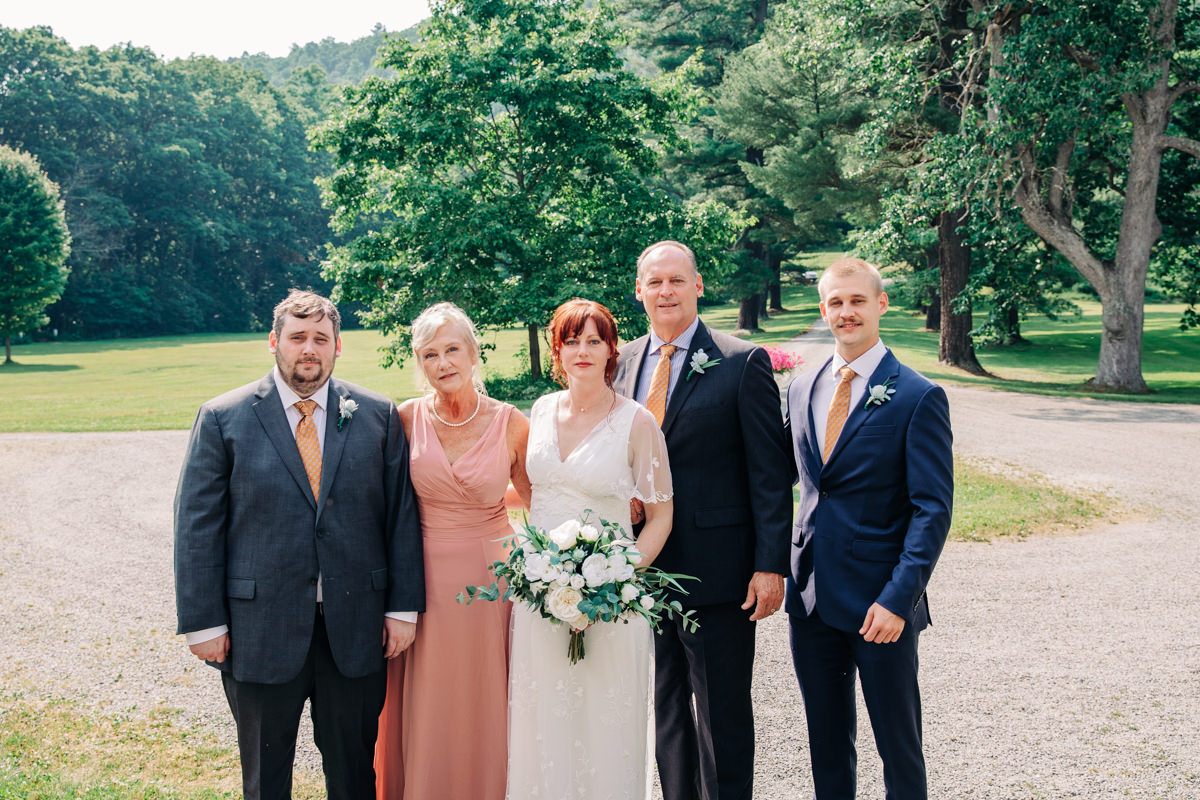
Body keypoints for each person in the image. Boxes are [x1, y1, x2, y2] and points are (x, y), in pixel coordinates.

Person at [174, 289, 424, 800]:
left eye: (321, 339)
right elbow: (198, 527)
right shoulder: (223, 418)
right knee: (265, 778)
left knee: (354, 774)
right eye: (297, 337)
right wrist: (204, 621)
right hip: (258, 632)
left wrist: (402, 609)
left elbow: (400, 516)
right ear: (274, 342)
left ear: (338, 347)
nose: (309, 348)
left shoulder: (377, 415)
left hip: (355, 630)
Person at [614, 241, 793, 800]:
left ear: (697, 286)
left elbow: (770, 475)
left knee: (722, 714)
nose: (665, 291)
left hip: (718, 574)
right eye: (654, 282)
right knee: (666, 708)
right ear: (639, 291)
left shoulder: (742, 361)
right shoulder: (622, 364)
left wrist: (770, 565)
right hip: (643, 574)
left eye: (676, 280)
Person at [784, 257, 953, 799]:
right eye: (836, 302)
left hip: (881, 605)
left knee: (898, 747)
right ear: (823, 309)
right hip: (810, 599)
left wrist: (898, 600)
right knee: (827, 744)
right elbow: (784, 478)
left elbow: (932, 510)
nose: (846, 312)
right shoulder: (802, 387)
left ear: (880, 304)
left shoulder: (918, 396)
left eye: (857, 300)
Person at [507, 298, 674, 800]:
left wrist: (620, 579)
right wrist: (542, 568)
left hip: (611, 602)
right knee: (543, 717)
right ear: (557, 351)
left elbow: (660, 516)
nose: (582, 350)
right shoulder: (540, 410)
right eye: (571, 340)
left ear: (610, 350)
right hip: (540, 596)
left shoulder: (637, 422)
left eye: (593, 340)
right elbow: (535, 494)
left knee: (605, 720)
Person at [374, 302, 532, 800]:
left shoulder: (511, 423)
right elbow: (383, 505)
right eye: (429, 354)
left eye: (452, 350)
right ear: (419, 363)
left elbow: (539, 501)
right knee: (430, 696)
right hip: (422, 582)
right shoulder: (404, 419)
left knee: (485, 692)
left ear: (473, 352)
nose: (442, 363)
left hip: (493, 582)